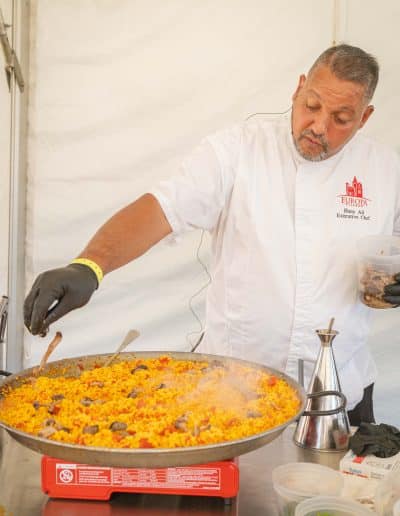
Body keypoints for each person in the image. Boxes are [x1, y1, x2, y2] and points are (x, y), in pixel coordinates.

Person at [24, 44, 400, 426]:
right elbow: (160, 209)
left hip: (340, 394)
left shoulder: (386, 171)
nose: (319, 126)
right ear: (298, 88)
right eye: (312, 105)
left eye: (341, 117)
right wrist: (90, 265)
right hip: (233, 393)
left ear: (364, 118)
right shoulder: (237, 150)